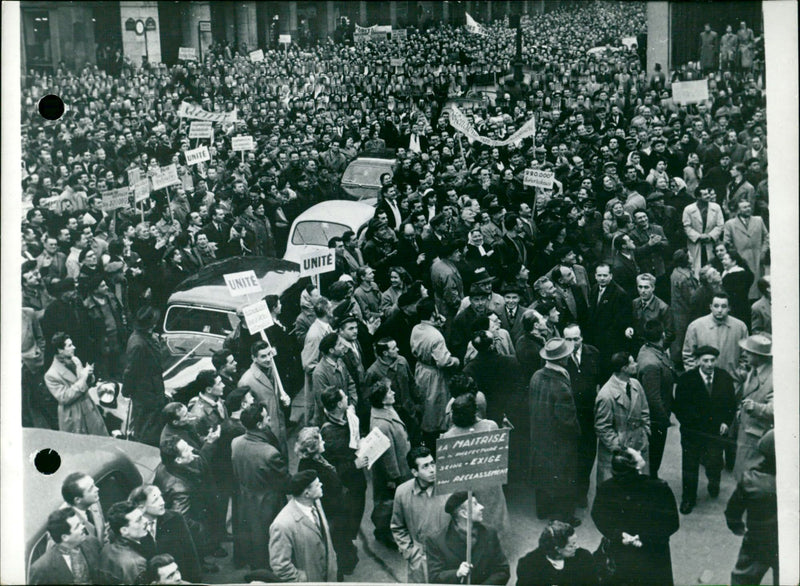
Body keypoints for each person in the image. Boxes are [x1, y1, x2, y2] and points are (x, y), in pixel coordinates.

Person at [591, 448, 680, 586]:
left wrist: (620, 535)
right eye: (636, 453)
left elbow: (599, 516)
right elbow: (672, 522)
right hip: (654, 552)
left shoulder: (606, 488)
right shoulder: (659, 489)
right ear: (636, 466)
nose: (639, 450)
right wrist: (643, 537)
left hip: (621, 551)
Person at [672, 346, 736, 514]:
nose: (709, 364)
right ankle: (688, 499)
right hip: (692, 433)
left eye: (712, 360)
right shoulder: (686, 380)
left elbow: (731, 404)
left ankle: (714, 483)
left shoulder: (724, 378)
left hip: (715, 432)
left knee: (715, 462)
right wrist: (690, 425)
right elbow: (679, 408)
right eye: (705, 360)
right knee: (690, 466)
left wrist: (726, 422)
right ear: (698, 361)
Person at [231, 402, 290, 571]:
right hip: (268, 503)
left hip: (246, 499)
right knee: (270, 541)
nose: (270, 419)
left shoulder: (235, 443)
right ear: (259, 424)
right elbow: (285, 482)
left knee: (253, 538)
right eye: (267, 417)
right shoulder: (269, 453)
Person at [529, 338, 581, 524]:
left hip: (539, 435)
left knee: (543, 475)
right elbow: (567, 420)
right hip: (559, 441)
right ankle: (564, 516)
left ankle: (542, 510)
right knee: (565, 478)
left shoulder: (536, 376)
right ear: (563, 359)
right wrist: (577, 433)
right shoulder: (561, 385)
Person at [442, 394, 509, 538]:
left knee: (470, 518)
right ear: (475, 411)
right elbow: (498, 454)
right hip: (489, 482)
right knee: (492, 515)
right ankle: (494, 546)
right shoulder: (490, 426)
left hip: (464, 485)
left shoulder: (448, 436)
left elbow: (449, 468)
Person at [296, 426, 358, 579]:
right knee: (336, 546)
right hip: (332, 514)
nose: (324, 442)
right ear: (313, 448)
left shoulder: (313, 460)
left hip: (334, 510)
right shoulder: (313, 469)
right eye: (321, 440)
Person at [319, 387, 369, 570]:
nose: (348, 397)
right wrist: (354, 465)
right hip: (346, 488)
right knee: (346, 523)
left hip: (355, 483)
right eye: (344, 397)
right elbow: (330, 469)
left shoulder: (346, 417)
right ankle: (345, 559)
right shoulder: (328, 433)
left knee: (352, 519)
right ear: (339, 404)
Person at [725, 430, 778, 585]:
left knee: (743, 579)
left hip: (757, 541)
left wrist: (737, 526)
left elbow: (733, 511)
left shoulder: (750, 481)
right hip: (788, 543)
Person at [391, 446, 450, 584]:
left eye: (432, 463)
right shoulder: (402, 492)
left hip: (447, 556)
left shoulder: (448, 488)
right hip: (419, 558)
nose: (432, 469)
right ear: (414, 472)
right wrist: (411, 554)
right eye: (425, 466)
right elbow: (397, 527)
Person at [426, 492, 510, 585]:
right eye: (475, 504)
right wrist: (457, 574)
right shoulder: (436, 541)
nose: (482, 507)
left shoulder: (490, 533)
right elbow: (434, 578)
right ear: (464, 513)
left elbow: (503, 571)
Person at [410, 297, 460, 454]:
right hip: (434, 376)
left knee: (424, 402)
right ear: (434, 313)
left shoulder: (416, 328)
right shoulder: (436, 337)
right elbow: (443, 361)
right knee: (435, 409)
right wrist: (456, 361)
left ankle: (426, 437)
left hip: (421, 369)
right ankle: (435, 444)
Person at [269, 470, 338, 582]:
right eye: (317, 485)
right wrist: (301, 580)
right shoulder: (282, 524)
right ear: (307, 494)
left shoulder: (316, 502)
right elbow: (280, 566)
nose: (321, 485)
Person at [369, 378, 413, 549]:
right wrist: (394, 477)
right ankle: (387, 534)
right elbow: (388, 456)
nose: (393, 393)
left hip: (401, 465)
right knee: (392, 505)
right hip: (397, 472)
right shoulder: (381, 424)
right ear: (382, 399)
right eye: (389, 392)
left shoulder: (385, 410)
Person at [595, 352, 651, 484]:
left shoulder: (636, 384)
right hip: (618, 455)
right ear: (624, 368)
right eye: (632, 363)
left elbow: (645, 411)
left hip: (639, 445)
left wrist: (646, 432)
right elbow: (602, 428)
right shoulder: (606, 395)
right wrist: (621, 449)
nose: (636, 364)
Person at [129, 485, 203, 583]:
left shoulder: (175, 518)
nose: (162, 502)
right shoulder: (133, 528)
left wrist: (195, 581)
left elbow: (190, 554)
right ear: (141, 507)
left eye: (161, 497)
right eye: (155, 500)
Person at [562, 324, 601, 507]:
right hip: (569, 415)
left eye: (575, 339)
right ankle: (571, 492)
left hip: (589, 415)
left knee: (587, 455)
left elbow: (601, 380)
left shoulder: (593, 354)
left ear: (582, 338)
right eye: (568, 339)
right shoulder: (560, 357)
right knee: (571, 456)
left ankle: (581, 493)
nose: (572, 343)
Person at [44, 332, 107, 436]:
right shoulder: (51, 375)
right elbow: (65, 397)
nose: (74, 347)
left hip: (88, 408)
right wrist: (83, 378)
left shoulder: (75, 360)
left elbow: (86, 384)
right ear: (60, 350)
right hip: (74, 416)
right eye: (69, 345)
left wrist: (89, 376)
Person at [238, 340, 291, 459]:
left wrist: (284, 399)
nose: (268, 359)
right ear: (254, 358)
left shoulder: (273, 370)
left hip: (280, 428)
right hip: (265, 433)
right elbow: (247, 415)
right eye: (263, 356)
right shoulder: (246, 381)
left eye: (269, 354)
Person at [123, 306, 167, 446]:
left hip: (153, 386)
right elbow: (130, 371)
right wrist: (127, 390)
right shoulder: (138, 344)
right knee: (146, 423)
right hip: (145, 390)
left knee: (153, 419)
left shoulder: (146, 337)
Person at [636, 320, 675, 479]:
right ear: (663, 335)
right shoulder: (652, 363)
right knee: (654, 456)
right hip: (656, 419)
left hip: (656, 416)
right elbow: (653, 398)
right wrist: (665, 420)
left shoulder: (649, 350)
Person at [733, 334, 773, 482]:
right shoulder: (754, 370)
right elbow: (747, 394)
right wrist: (740, 409)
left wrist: (755, 408)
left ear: (759, 356)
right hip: (746, 433)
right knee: (742, 476)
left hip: (757, 438)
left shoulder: (773, 379)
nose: (744, 354)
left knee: (749, 480)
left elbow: (776, 410)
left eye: (748, 352)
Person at [682, 292, 749, 376]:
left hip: (732, 380)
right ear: (710, 307)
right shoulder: (695, 326)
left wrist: (741, 373)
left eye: (724, 306)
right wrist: (696, 375)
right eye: (716, 306)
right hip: (704, 381)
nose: (720, 310)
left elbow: (746, 355)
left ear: (729, 308)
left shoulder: (740, 327)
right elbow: (688, 355)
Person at [29, 508, 101, 585]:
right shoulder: (42, 568)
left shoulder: (92, 542)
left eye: (81, 523)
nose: (83, 527)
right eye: (77, 526)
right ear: (65, 537)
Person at [515, 521, 597, 586]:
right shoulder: (528, 565)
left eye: (575, 542)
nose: (577, 546)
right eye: (571, 545)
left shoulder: (584, 557)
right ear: (557, 549)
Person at [98, 501, 149, 585]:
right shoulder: (136, 563)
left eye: (142, 517)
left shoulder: (107, 549)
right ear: (124, 530)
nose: (146, 520)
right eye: (139, 520)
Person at [683, 186, 725, 278]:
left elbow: (720, 224)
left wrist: (710, 236)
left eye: (708, 193)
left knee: (713, 267)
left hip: (711, 242)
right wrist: (698, 236)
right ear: (698, 197)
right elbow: (686, 226)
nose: (708, 196)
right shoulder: (688, 209)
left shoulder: (716, 207)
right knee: (696, 267)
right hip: (695, 243)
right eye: (705, 194)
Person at [60, 472, 108, 545]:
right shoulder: (64, 522)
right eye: (91, 489)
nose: (97, 489)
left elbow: (101, 531)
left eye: (93, 485)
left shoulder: (93, 501)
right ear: (78, 500)